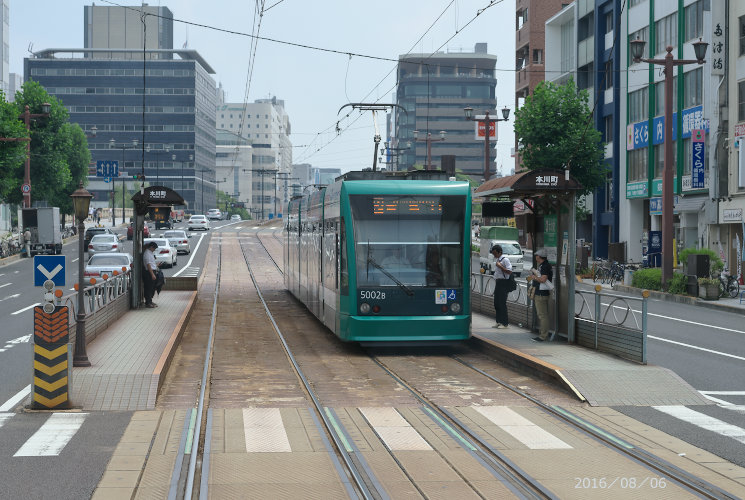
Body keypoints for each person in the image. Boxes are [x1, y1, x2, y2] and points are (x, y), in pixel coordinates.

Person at [531, 248, 554, 342]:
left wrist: (534, 277)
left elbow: (543, 279)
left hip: (541, 293)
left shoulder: (545, 266)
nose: (536, 257)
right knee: (542, 315)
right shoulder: (543, 265)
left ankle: (543, 336)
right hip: (541, 293)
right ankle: (542, 334)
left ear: (539, 257)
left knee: (542, 315)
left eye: (537, 255)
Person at [490, 244, 512, 328]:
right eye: (493, 253)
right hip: (498, 283)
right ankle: (498, 321)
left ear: (500, 252)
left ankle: (505, 323)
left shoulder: (505, 260)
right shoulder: (498, 259)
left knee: (502, 303)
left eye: (495, 253)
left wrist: (501, 266)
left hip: (503, 283)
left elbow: (509, 271)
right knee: (497, 303)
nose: (494, 255)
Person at [143, 241, 159, 308]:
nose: (154, 250)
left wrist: (156, 265)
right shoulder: (147, 254)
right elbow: (148, 264)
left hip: (152, 271)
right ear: (151, 247)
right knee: (148, 288)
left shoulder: (150, 253)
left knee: (152, 287)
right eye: (154, 248)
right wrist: (152, 274)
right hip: (149, 272)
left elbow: (151, 263)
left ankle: (150, 301)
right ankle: (148, 302)